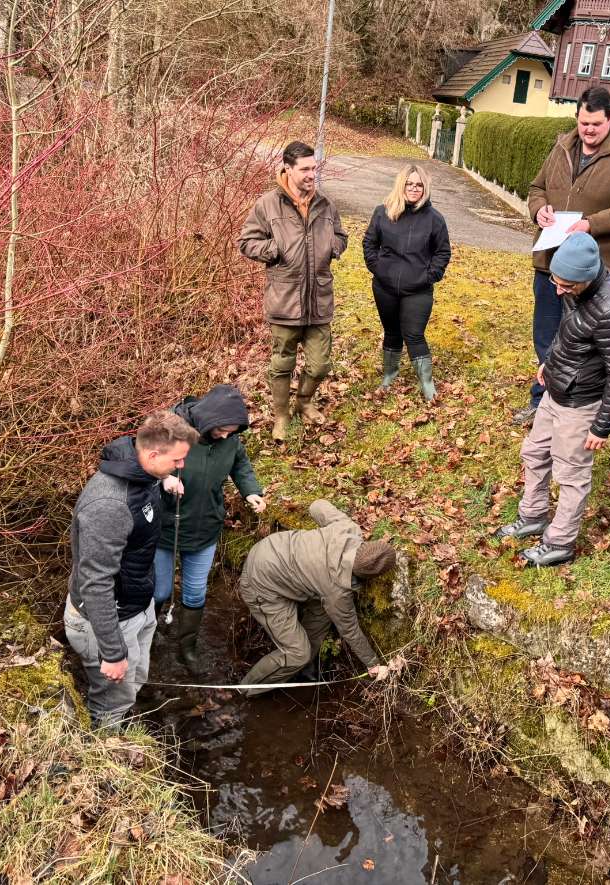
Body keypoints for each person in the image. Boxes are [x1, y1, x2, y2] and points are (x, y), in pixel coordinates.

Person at [516, 86, 610, 426]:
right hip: (551, 261)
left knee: (585, 343)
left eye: (596, 124)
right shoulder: (563, 145)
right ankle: (543, 400)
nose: (588, 130)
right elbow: (537, 187)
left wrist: (591, 224)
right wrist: (538, 210)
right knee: (546, 333)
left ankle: (580, 407)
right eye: (583, 123)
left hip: (596, 270)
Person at [494, 233, 610, 567]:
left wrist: (601, 427)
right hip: (555, 390)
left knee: (571, 475)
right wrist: (550, 362)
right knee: (534, 453)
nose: (559, 291)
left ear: (586, 278)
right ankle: (533, 516)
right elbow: (568, 330)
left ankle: (560, 542)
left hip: (580, 404)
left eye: (566, 286)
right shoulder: (573, 287)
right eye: (556, 282)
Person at [64, 412, 199, 727]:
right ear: (152, 455)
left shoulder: (143, 475)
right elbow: (95, 583)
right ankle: (105, 744)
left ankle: (123, 720)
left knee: (135, 680)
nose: (182, 466)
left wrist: (163, 480)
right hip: (107, 620)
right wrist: (112, 653)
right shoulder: (109, 506)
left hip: (138, 604)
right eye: (177, 460)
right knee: (111, 701)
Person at [238, 141, 349, 442]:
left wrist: (333, 247)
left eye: (314, 168)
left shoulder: (325, 204)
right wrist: (275, 249)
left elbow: (341, 235)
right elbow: (246, 242)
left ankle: (304, 402)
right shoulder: (268, 204)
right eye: (305, 169)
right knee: (282, 363)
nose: (312, 174)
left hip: (319, 298)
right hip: (285, 299)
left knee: (320, 364)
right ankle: (281, 415)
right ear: (287, 168)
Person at [154, 384, 267, 675]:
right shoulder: (171, 429)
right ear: (210, 419)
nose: (227, 436)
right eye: (222, 430)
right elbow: (143, 459)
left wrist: (250, 491)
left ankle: (187, 649)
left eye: (232, 432)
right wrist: (164, 478)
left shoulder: (230, 440)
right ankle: (149, 634)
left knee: (194, 593)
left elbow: (240, 465)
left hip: (205, 527)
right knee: (160, 589)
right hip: (165, 526)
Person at [236, 499, 399, 694]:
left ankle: (304, 666)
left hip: (271, 549)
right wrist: (372, 663)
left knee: (324, 612)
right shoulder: (338, 590)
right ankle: (246, 689)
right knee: (297, 653)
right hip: (261, 585)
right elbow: (350, 630)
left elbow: (316, 506)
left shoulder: (347, 528)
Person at [362, 164, 452, 402]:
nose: (414, 188)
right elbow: (369, 243)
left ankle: (427, 384)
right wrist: (378, 268)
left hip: (418, 290)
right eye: (409, 184)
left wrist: (429, 276)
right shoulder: (383, 212)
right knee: (392, 332)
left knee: (414, 334)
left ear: (425, 188)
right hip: (385, 287)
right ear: (401, 185)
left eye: (419, 185)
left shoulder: (434, 219)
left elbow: (442, 252)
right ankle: (389, 375)